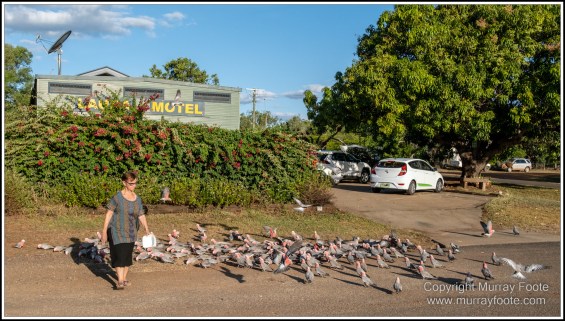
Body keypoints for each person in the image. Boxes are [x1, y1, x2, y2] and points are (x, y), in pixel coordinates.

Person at [101, 170, 150, 290]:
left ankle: (123, 279)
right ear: (124, 183)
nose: (134, 186)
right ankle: (120, 281)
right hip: (116, 231)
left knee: (127, 256)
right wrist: (103, 231)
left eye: (135, 183)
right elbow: (109, 213)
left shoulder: (137, 199)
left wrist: (147, 229)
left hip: (131, 231)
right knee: (119, 256)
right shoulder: (117, 198)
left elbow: (141, 214)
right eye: (131, 183)